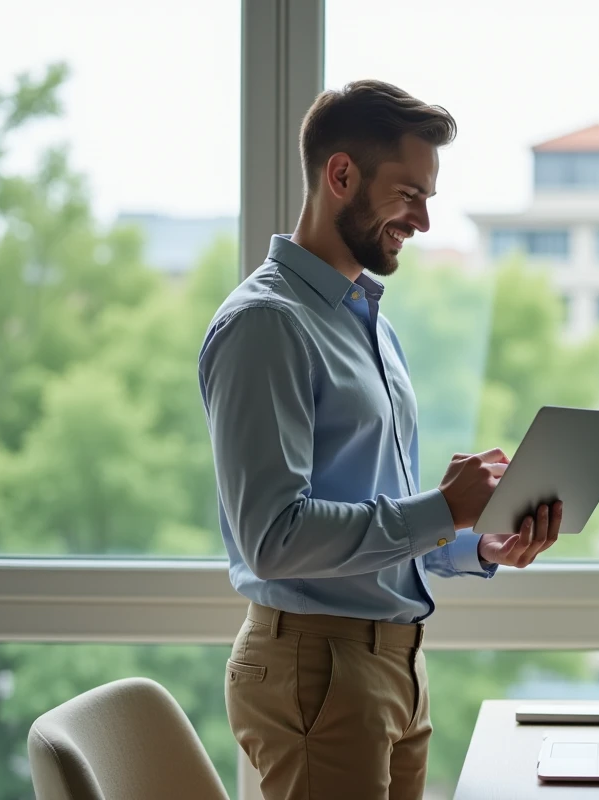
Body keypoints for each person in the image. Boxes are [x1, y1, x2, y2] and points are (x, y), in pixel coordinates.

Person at [197, 80, 563, 800]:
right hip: (318, 666)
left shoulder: (371, 323)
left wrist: (476, 541)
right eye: (409, 193)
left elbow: (377, 518)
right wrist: (442, 508)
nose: (423, 220)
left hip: (394, 663)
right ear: (341, 176)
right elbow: (272, 537)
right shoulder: (266, 324)